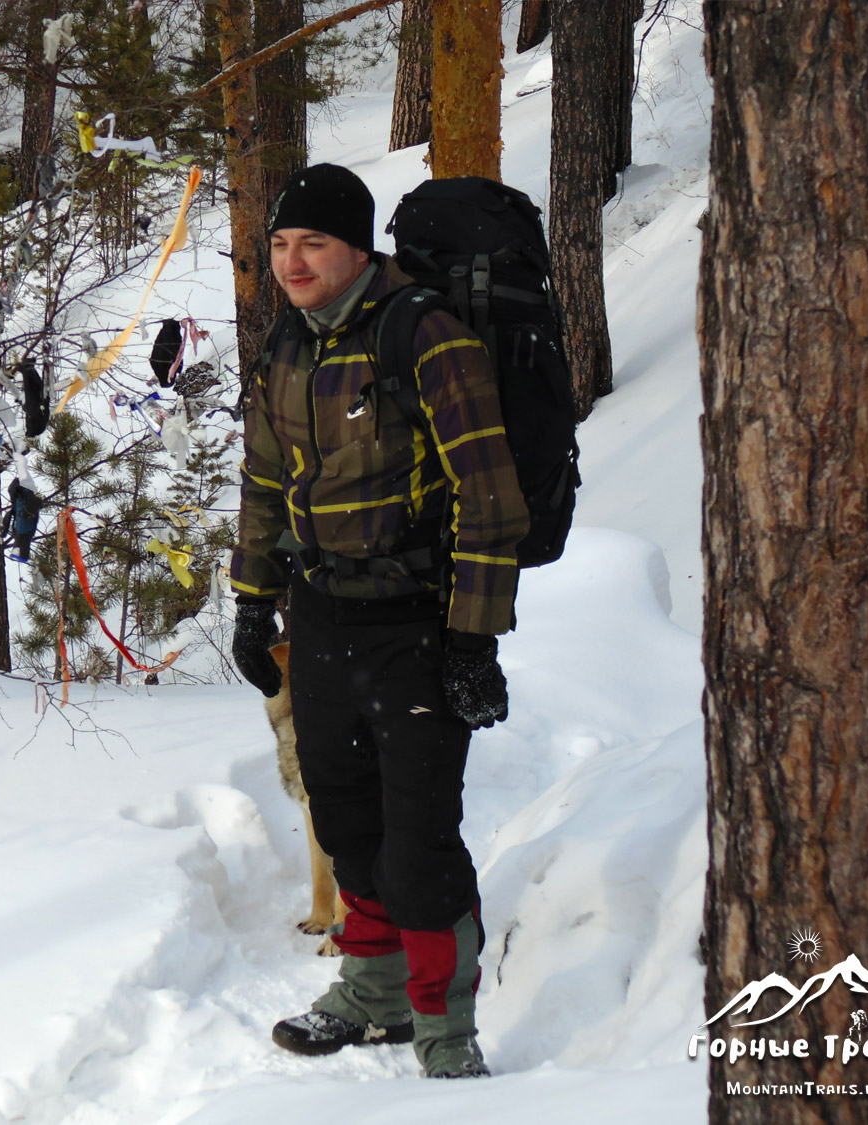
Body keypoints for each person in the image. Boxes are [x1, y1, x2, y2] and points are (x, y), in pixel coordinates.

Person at [229, 163, 529, 1080]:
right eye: (280, 245)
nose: (293, 262)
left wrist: (473, 638)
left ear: (359, 247)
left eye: (313, 243)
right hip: (321, 612)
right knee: (346, 813)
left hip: (417, 619)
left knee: (418, 834)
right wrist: (251, 599)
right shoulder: (289, 344)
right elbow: (266, 480)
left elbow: (489, 497)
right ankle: (374, 990)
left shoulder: (424, 334)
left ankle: (446, 1029)